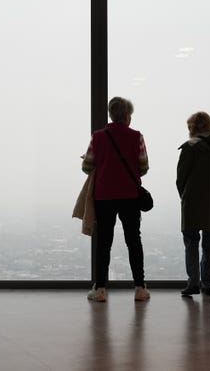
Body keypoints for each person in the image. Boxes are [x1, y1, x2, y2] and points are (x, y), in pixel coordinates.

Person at [82, 97, 150, 302]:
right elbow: (144, 167)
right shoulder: (137, 136)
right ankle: (139, 287)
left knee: (104, 241)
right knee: (133, 240)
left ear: (111, 115)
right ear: (127, 116)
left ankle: (100, 289)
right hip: (130, 195)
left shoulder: (98, 137)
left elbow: (87, 167)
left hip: (104, 196)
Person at [176, 111, 210, 297]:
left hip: (192, 202)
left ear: (193, 128)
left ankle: (193, 283)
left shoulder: (190, 147)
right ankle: (208, 284)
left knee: (191, 242)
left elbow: (181, 178)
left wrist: (184, 196)